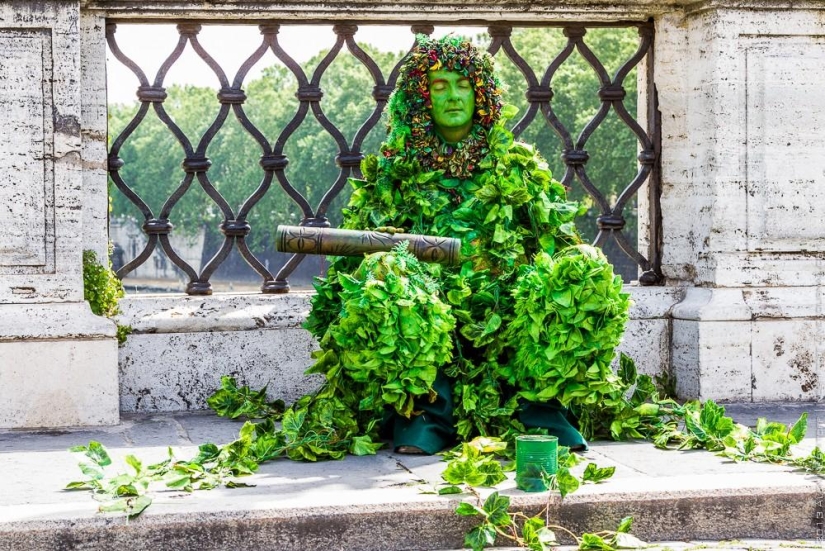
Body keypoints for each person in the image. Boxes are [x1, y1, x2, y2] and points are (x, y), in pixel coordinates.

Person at [303, 35, 629, 456]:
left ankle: (539, 408)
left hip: (507, 321)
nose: (453, 96)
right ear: (422, 99)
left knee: (584, 267)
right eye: (440, 86)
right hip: (429, 323)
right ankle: (425, 413)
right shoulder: (393, 172)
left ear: (481, 94)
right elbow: (357, 263)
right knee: (383, 276)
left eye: (462, 85)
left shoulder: (517, 167)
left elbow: (557, 243)